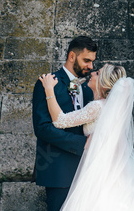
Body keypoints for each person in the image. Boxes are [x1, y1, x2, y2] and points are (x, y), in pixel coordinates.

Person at [39, 64, 134, 211]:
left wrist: (49, 89)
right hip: (112, 169)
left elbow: (60, 120)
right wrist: (74, 84)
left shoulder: (97, 107)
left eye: (97, 73)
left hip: (95, 168)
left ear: (102, 80)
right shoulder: (112, 108)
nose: (92, 73)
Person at [32, 36, 97, 211]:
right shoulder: (47, 83)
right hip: (58, 170)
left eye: (92, 62)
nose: (90, 66)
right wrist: (82, 143)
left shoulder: (86, 88)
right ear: (71, 57)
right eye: (87, 60)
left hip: (86, 170)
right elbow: (42, 128)